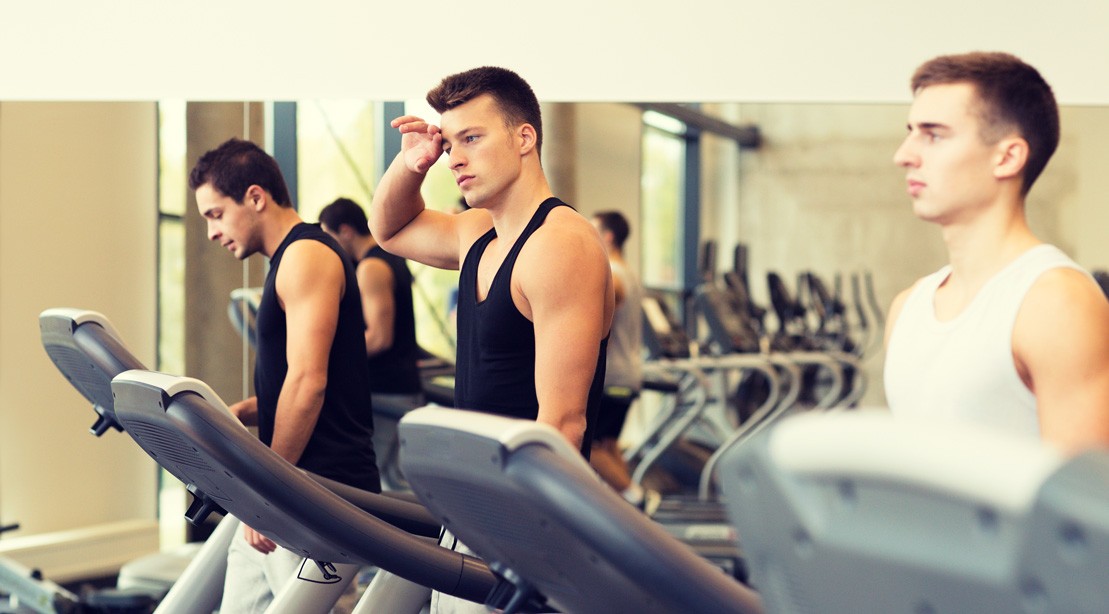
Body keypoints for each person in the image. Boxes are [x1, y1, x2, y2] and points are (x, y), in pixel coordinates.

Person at [369, 67, 613, 612]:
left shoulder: (559, 245)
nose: (454, 158)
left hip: (522, 523)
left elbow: (563, 423)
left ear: (524, 137)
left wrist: (520, 546)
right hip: (473, 507)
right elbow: (387, 230)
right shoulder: (478, 233)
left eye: (471, 139)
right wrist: (411, 164)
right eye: (449, 142)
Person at [884, 51, 1109, 454]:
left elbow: (1087, 505)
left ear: (1006, 157)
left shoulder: (1056, 301)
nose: (904, 155)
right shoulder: (907, 307)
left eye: (933, 135)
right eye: (910, 132)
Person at [189, 138, 378, 612]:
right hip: (290, 491)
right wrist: (249, 410)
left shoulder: (306, 256)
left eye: (215, 214)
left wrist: (268, 493)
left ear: (255, 197)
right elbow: (311, 378)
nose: (211, 232)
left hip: (317, 491)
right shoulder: (286, 262)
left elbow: (308, 381)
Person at [319, 196, 423, 489]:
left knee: (381, 488)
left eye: (330, 238)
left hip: (388, 392)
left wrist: (327, 359)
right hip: (396, 389)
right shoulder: (389, 259)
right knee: (392, 483)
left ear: (346, 231)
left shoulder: (371, 267)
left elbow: (379, 337)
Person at [587, 210, 659, 513]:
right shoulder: (627, 270)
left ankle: (636, 498)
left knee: (588, 447)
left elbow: (599, 315)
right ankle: (627, 508)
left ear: (608, 237)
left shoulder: (613, 275)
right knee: (608, 444)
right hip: (627, 373)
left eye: (593, 232)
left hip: (613, 376)